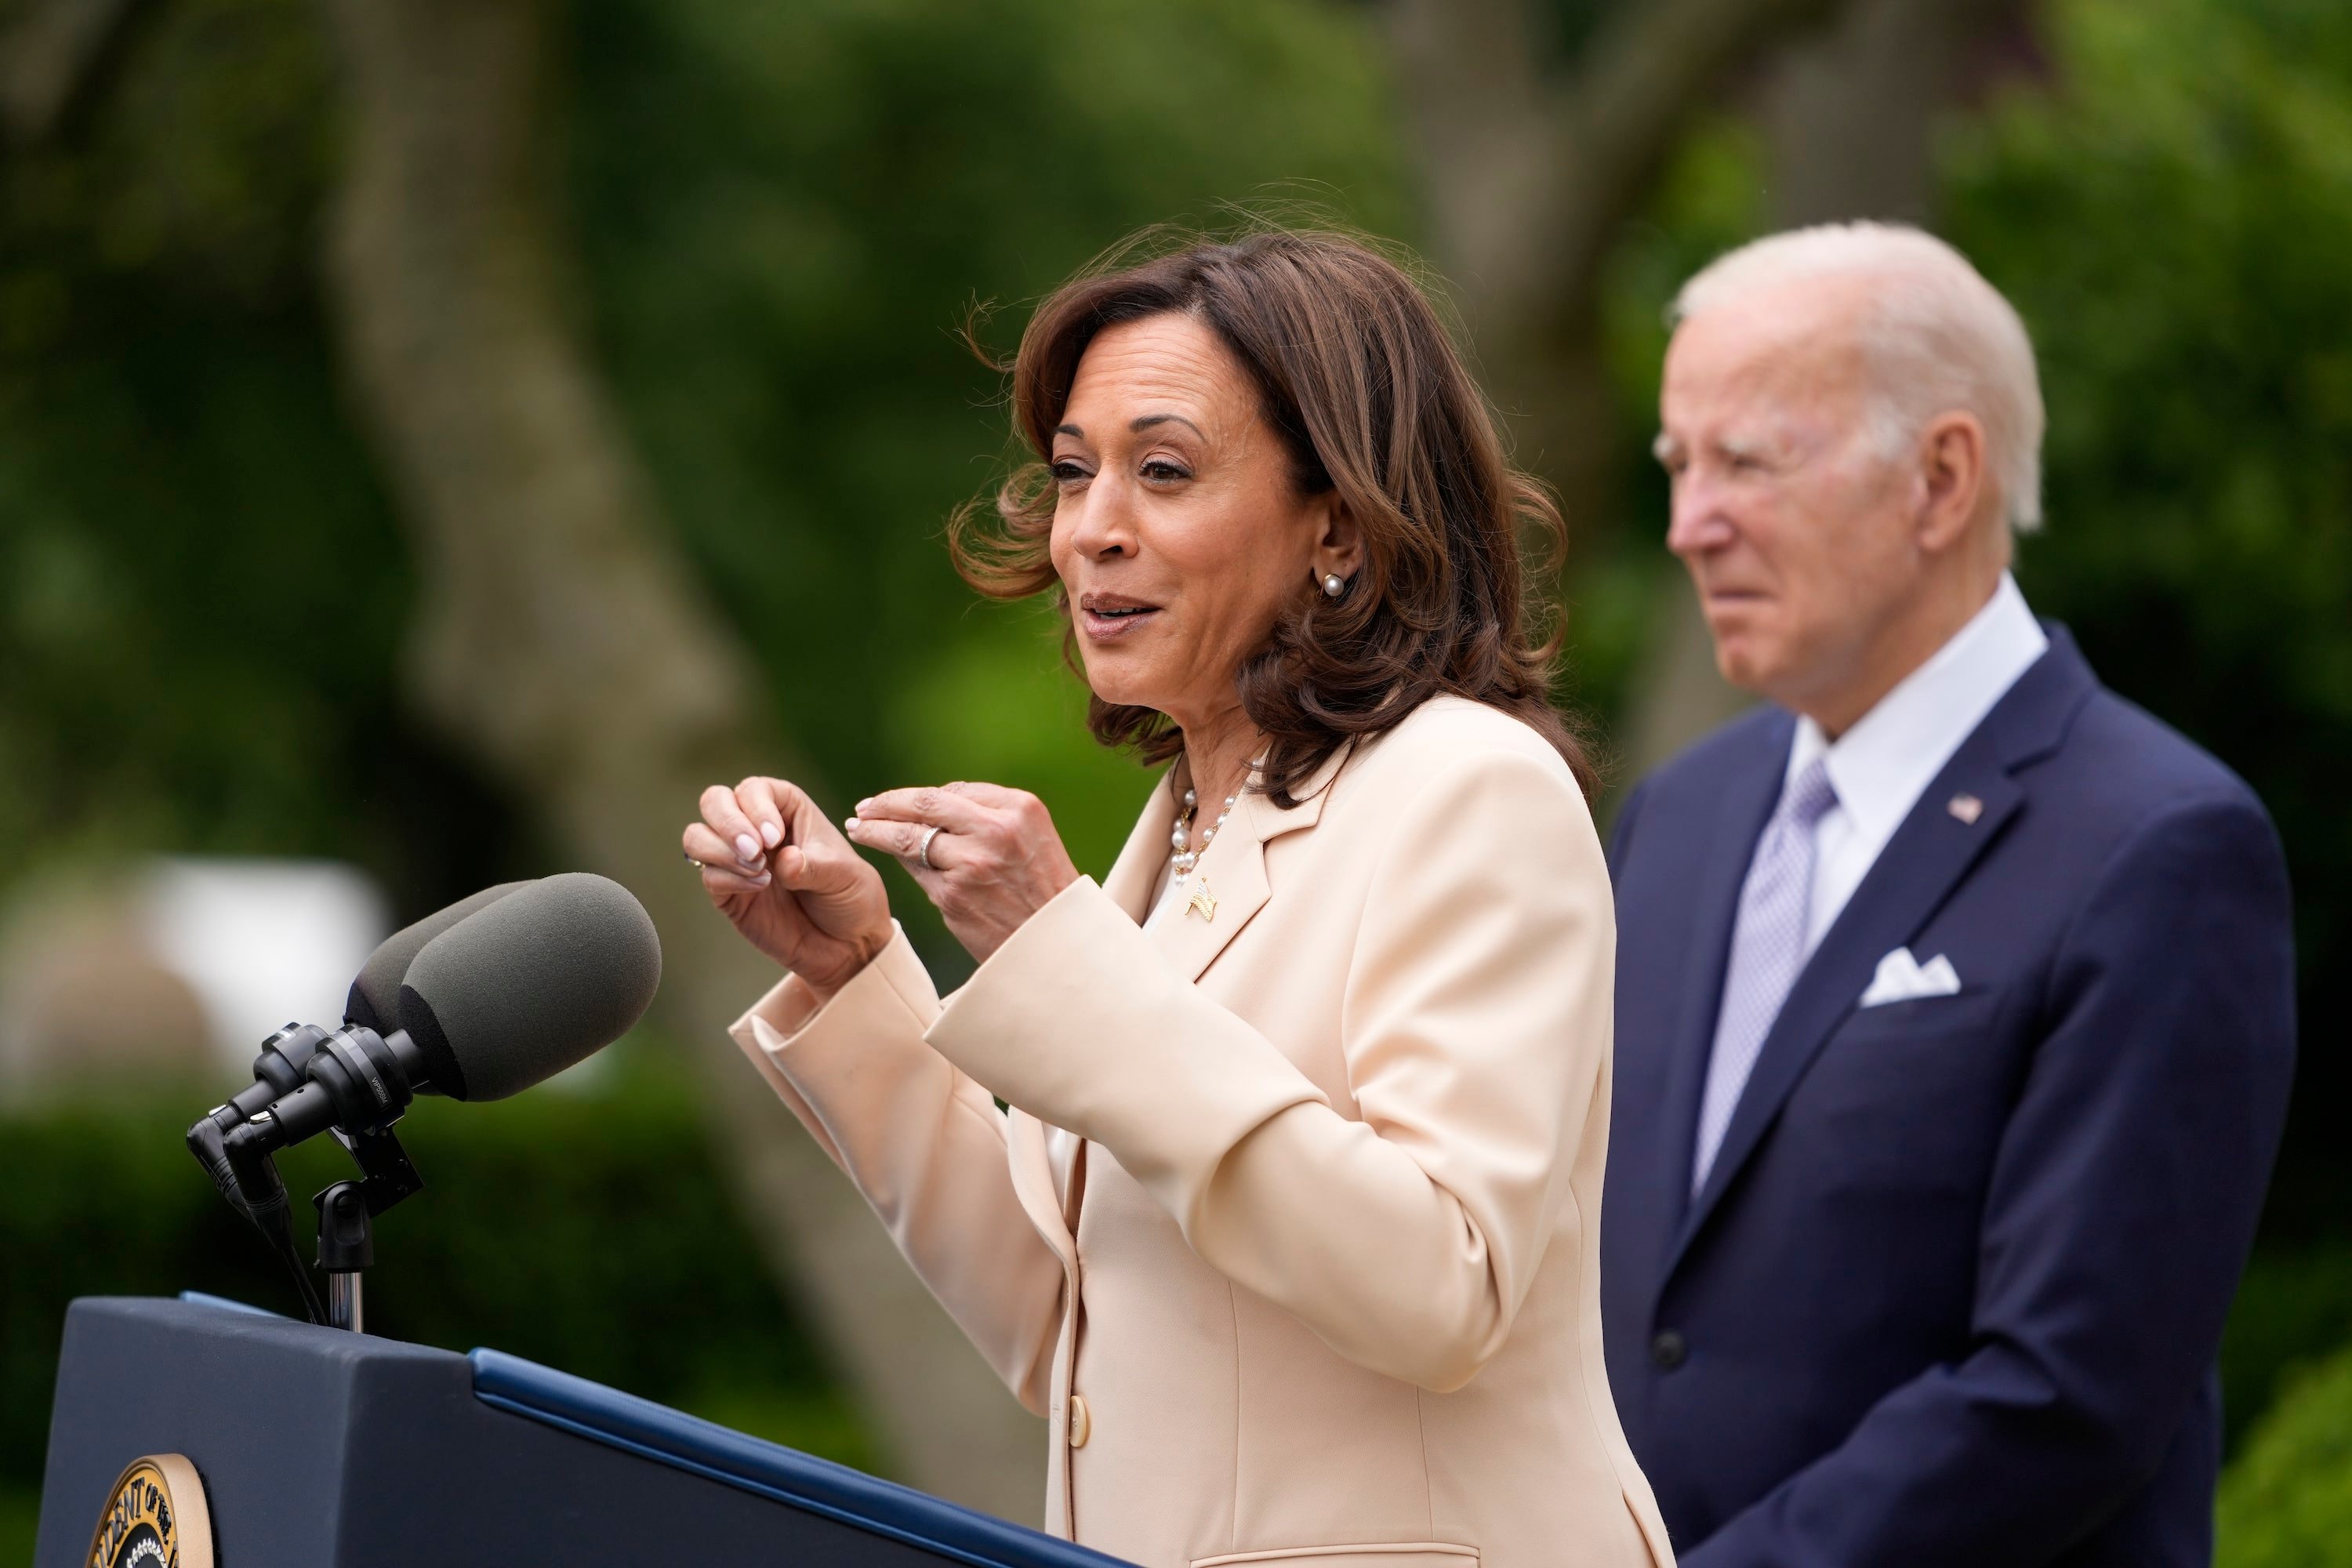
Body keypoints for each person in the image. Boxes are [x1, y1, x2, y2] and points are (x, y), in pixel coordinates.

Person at [683, 228, 1672, 1568]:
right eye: (1074, 473)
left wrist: (1068, 960)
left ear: (1337, 523)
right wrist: (860, 974)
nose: (1093, 530)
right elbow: (1062, 1328)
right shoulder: (1185, 832)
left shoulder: (1471, 787)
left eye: (1163, 471)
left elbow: (1445, 1286)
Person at [1602, 221, 2296, 1566]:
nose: (1691, 526)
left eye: (1745, 461)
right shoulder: (1678, 819)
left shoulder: (2163, 846)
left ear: (1940, 479)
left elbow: (2066, 1394)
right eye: (1679, 465)